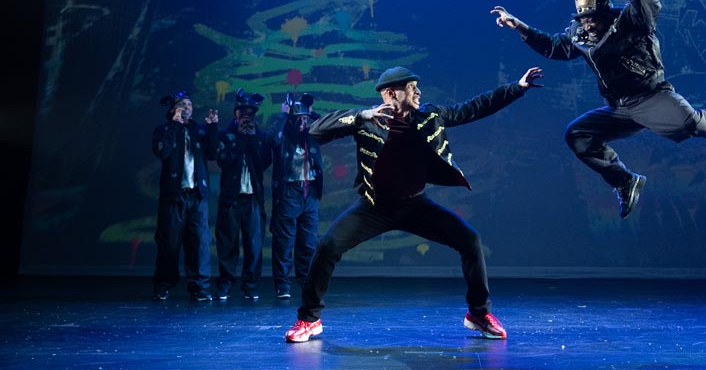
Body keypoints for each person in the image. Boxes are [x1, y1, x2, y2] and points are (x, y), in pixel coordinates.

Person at [492, 0, 706, 219]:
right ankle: (624, 181)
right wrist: (519, 26)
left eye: (593, 20)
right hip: (618, 108)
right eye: (584, 20)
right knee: (578, 135)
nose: (588, 26)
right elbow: (554, 47)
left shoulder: (631, 21)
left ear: (605, 14)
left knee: (690, 122)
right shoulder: (580, 33)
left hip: (651, 97)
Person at [284, 65, 544, 343]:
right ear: (390, 93)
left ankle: (479, 314)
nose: (418, 92)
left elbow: (474, 108)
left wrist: (517, 88)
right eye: (411, 87)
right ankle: (309, 319)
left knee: (470, 241)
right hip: (375, 208)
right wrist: (360, 115)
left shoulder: (430, 115)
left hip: (416, 206)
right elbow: (316, 130)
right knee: (328, 246)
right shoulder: (368, 121)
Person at [151, 91, 219, 301]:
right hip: (174, 195)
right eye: (182, 104)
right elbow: (164, 152)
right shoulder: (163, 130)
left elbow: (213, 154)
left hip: (197, 195)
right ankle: (164, 284)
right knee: (169, 243)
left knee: (199, 243)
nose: (187, 108)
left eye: (189, 104)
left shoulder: (198, 130)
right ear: (173, 109)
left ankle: (200, 287)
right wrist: (174, 125)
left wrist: (212, 128)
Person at [214, 88, 272, 301]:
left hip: (253, 198)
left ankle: (250, 285)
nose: (247, 116)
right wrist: (239, 138)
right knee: (227, 243)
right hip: (231, 198)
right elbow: (223, 161)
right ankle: (225, 284)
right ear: (235, 113)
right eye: (243, 112)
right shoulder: (225, 135)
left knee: (254, 245)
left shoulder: (260, 136)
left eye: (251, 112)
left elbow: (263, 163)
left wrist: (252, 140)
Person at [268, 93, 323, 300]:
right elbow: (270, 139)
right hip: (289, 193)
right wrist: (283, 115)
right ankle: (283, 285)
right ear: (290, 120)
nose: (302, 123)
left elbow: (328, 126)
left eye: (304, 119)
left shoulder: (312, 135)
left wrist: (310, 112)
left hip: (310, 193)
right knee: (284, 242)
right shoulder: (283, 137)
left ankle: (305, 282)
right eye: (298, 119)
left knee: (308, 243)